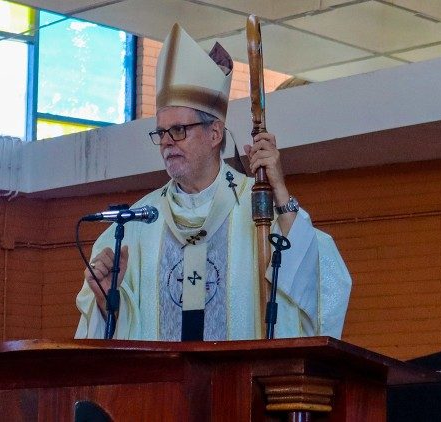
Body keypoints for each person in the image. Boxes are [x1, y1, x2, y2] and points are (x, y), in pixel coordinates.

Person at [75, 23, 351, 341]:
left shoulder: (256, 206)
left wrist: (282, 195)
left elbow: (324, 284)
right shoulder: (137, 223)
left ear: (214, 133)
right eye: (161, 132)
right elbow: (104, 332)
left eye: (179, 130)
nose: (167, 142)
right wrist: (107, 300)